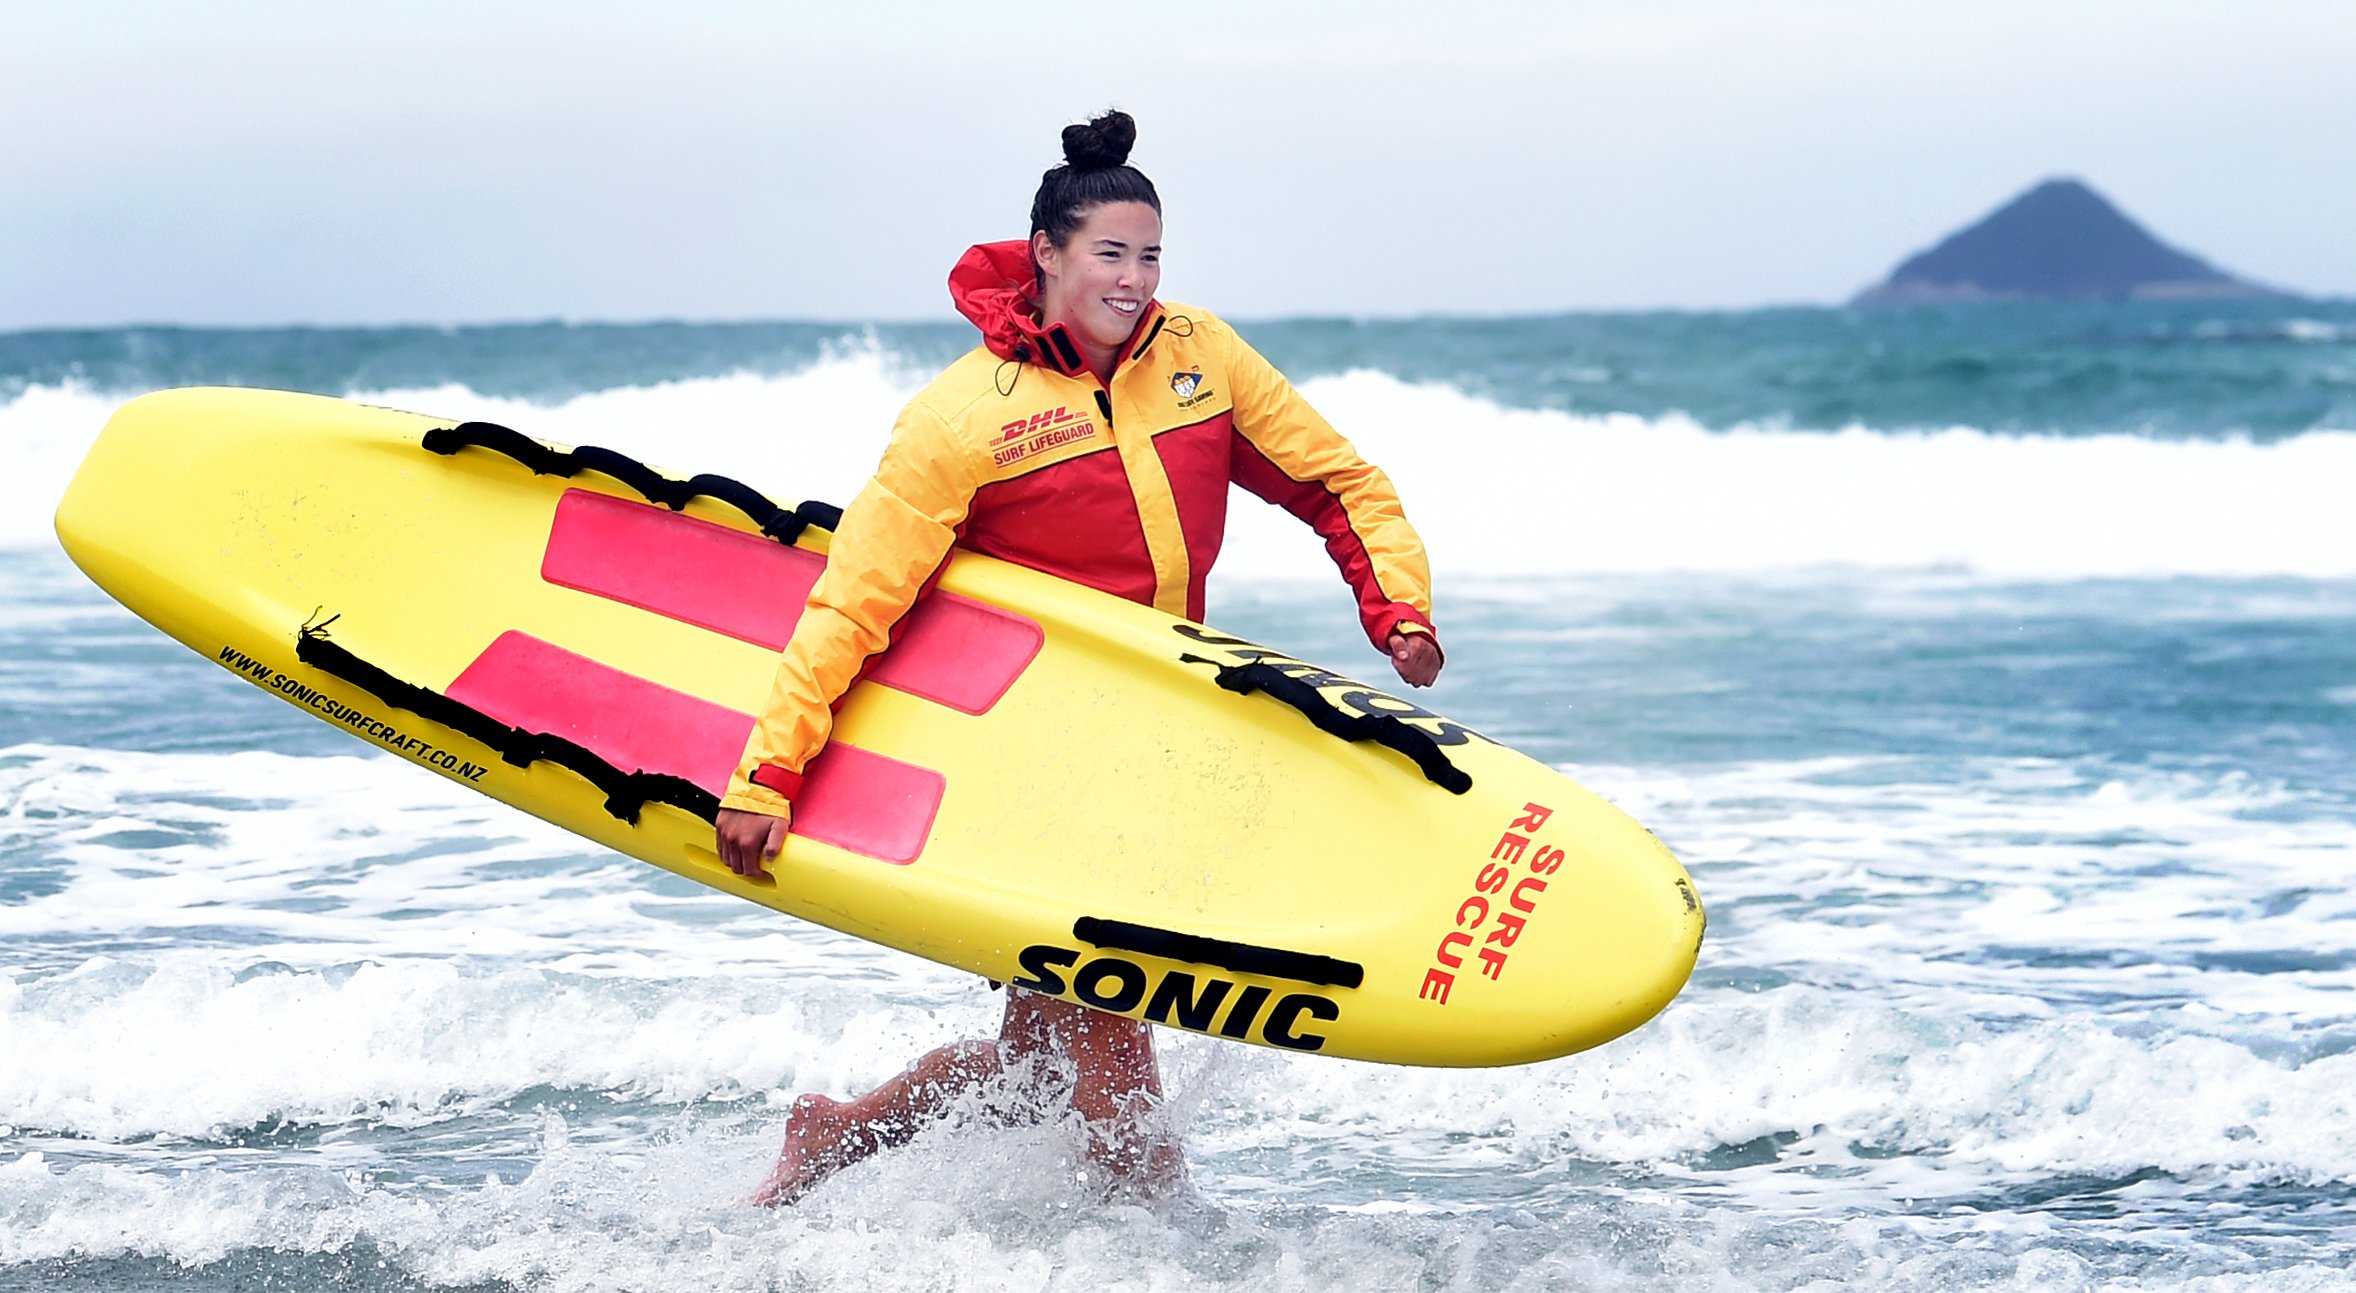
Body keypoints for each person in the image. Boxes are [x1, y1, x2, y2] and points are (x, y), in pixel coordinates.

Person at [716, 110, 1444, 1207]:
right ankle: (1157, 1252)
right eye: (1111, 252)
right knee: (1116, 1021)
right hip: (1036, 752)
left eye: (1151, 256)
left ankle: (837, 1133)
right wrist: (769, 768)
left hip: (1162, 733)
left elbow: (1336, 482)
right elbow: (853, 603)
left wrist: (1393, 606)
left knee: (1038, 1062)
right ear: (1047, 253)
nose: (1136, 279)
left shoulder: (1199, 355)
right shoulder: (963, 419)